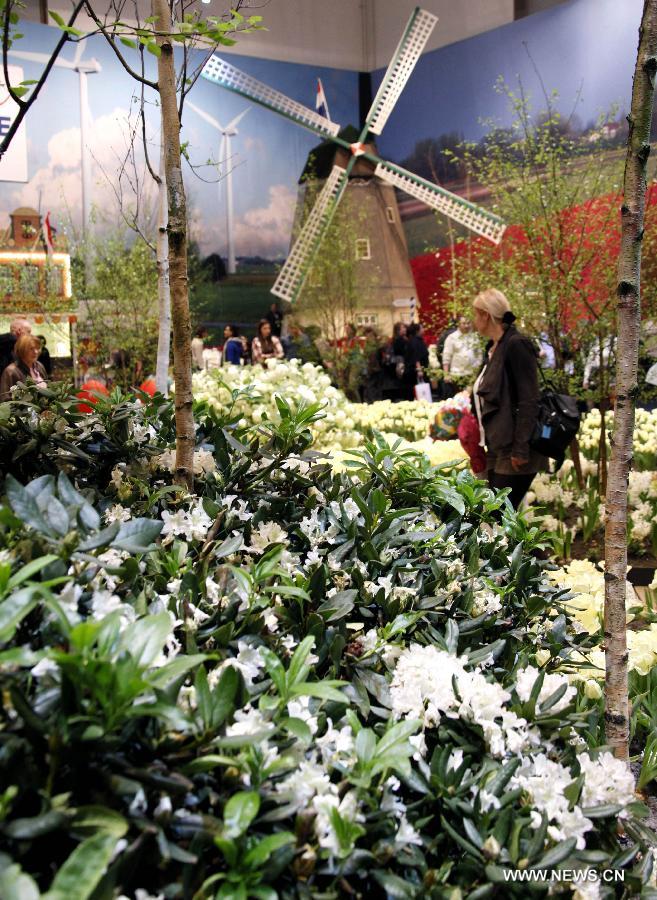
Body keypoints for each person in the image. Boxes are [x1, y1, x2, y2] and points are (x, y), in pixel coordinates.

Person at [472, 288, 544, 510]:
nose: (474, 320)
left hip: (515, 447)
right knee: (498, 516)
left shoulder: (515, 344)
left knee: (499, 515)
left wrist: (520, 448)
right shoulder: (494, 348)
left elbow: (529, 398)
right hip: (496, 443)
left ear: (486, 315)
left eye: (476, 314)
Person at [441, 315, 481, 397]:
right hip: (457, 375)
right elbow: (446, 357)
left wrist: (477, 371)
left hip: (472, 375)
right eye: (464, 323)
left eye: (468, 323)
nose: (466, 325)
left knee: (471, 399)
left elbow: (479, 355)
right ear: (459, 324)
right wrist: (446, 374)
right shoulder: (451, 338)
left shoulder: (475, 337)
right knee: (458, 400)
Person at [0, 334, 48, 400]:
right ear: (22, 350)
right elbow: (4, 399)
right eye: (31, 349)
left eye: (38, 348)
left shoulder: (39, 365)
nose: (36, 352)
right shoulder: (10, 371)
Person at [403, 322, 429, 400]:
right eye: (422, 328)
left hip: (418, 370)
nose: (423, 330)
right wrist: (419, 369)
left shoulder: (417, 340)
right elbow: (416, 357)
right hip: (415, 372)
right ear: (417, 331)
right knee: (416, 393)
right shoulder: (415, 341)